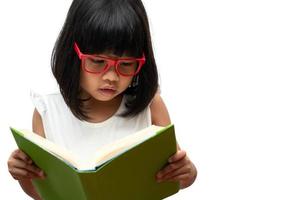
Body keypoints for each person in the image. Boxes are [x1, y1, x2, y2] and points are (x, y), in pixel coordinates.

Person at [7, 0, 197, 199]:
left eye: (126, 64)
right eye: (98, 61)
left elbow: (176, 175)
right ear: (73, 54)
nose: (112, 77)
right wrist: (23, 174)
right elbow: (43, 192)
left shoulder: (151, 106)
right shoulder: (47, 112)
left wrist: (189, 173)